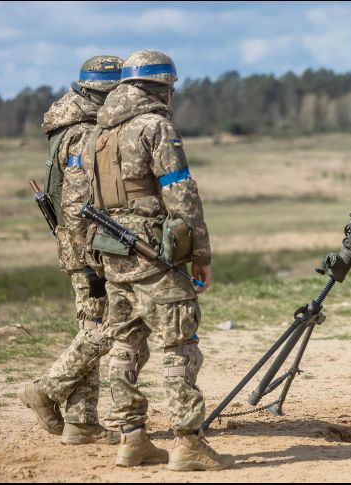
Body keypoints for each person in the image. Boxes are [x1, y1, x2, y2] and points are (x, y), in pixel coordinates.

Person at [82, 49, 233, 471]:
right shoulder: (156, 127)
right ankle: (188, 443)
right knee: (179, 345)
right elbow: (180, 193)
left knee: (124, 345)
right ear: (161, 86)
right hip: (154, 255)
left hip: (113, 255)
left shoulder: (99, 133)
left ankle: (133, 440)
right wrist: (199, 253)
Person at [19, 55, 124, 445]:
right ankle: (45, 389)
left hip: (81, 249)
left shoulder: (68, 126)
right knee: (109, 327)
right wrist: (95, 260)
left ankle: (81, 423)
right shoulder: (83, 133)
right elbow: (81, 207)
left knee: (90, 329)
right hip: (88, 251)